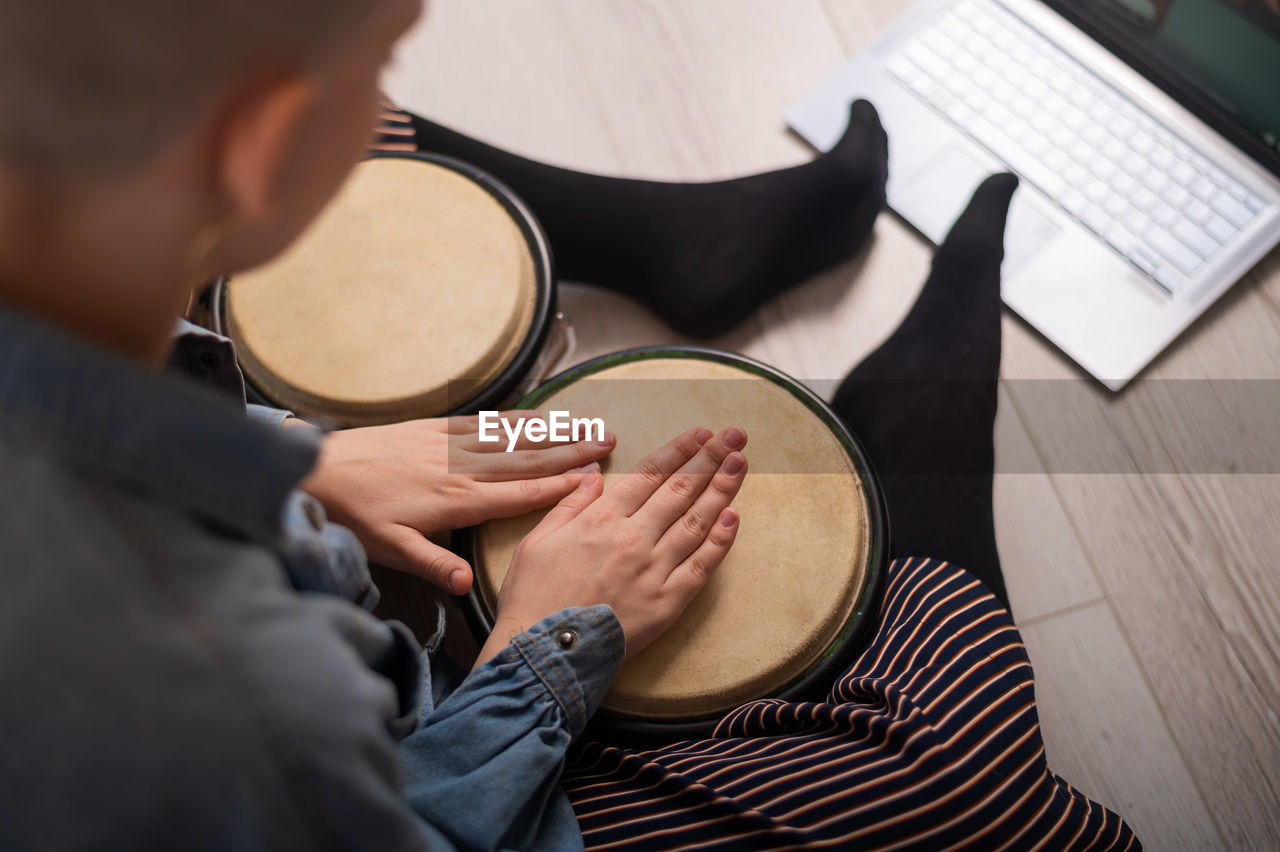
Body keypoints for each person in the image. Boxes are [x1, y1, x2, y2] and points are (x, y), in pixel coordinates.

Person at [0, 2, 1141, 851]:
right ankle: (910, 470)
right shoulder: (237, 690)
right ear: (258, 148)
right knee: (971, 780)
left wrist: (311, 465)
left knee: (230, 106)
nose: (389, 86)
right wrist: (541, 649)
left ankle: (688, 244)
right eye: (389, 54)